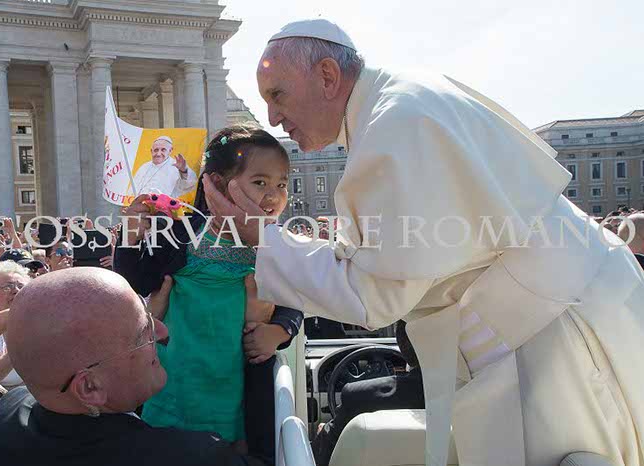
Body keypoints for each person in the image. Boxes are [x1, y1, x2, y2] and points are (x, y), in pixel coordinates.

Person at [203, 19, 644, 466]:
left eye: (277, 95)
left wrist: (259, 236)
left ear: (328, 77)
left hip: (555, 340)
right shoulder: (395, 105)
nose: (273, 118)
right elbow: (384, 255)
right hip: (549, 321)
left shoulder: (395, 123)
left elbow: (373, 294)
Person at [115, 125, 303, 461]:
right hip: (178, 379)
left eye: (281, 184)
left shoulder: (277, 244)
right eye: (260, 182)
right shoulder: (182, 230)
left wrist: (278, 331)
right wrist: (131, 234)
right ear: (216, 183)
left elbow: (295, 299)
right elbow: (138, 281)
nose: (274, 195)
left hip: (240, 387)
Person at [0, 267, 266, 466]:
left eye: (148, 316)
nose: (162, 331)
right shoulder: (192, 457)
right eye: (142, 334)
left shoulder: (9, 410)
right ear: (90, 387)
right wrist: (259, 349)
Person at [311, 321, 424, 466]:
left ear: (402, 345)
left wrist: (323, 434)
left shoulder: (357, 396)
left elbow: (319, 458)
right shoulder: (454, 396)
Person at [132, 136, 198, 198]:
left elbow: (189, 185)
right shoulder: (144, 167)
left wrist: (183, 171)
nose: (158, 154)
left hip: (163, 205)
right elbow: (132, 189)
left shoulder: (178, 166)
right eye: (156, 150)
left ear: (170, 151)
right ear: (151, 151)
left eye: (163, 150)